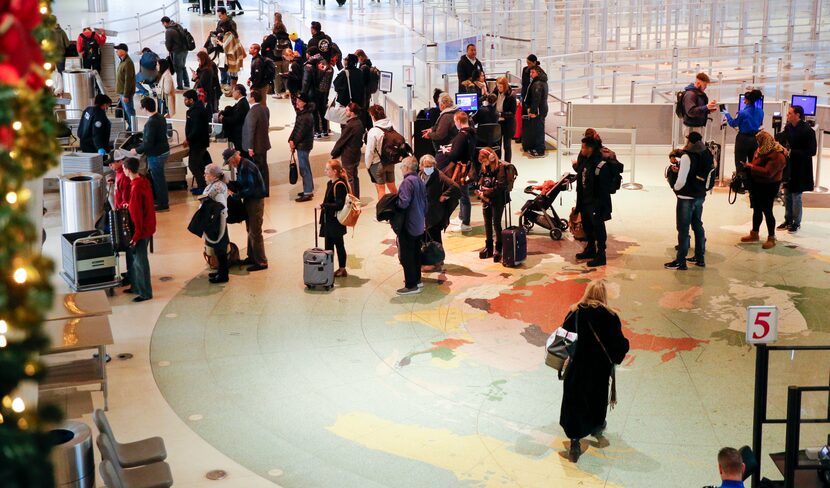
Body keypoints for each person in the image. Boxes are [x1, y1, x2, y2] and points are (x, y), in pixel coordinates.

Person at [558, 279, 629, 462]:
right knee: (596, 398)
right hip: (599, 369)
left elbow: (563, 337)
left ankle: (575, 441)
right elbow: (619, 346)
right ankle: (596, 426)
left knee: (575, 400)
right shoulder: (611, 316)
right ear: (604, 295)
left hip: (577, 367)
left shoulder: (575, 312)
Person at [664, 132, 712, 270]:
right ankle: (699, 257)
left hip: (686, 197)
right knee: (697, 225)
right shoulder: (706, 152)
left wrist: (675, 186)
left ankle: (680, 261)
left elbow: (681, 181)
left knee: (683, 229)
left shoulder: (687, 156)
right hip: (700, 195)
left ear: (688, 141)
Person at [740, 130, 787, 249]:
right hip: (758, 184)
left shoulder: (777, 155)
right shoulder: (762, 150)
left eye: (759, 141)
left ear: (764, 141)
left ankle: (772, 237)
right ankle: (754, 233)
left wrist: (751, 167)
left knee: (767, 211)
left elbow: (768, 173)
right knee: (757, 209)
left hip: (769, 186)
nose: (758, 144)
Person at [223, 148, 268, 272]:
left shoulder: (247, 166)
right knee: (250, 229)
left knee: (255, 231)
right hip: (250, 200)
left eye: (229, 162)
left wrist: (236, 195)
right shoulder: (242, 165)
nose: (230, 165)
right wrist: (229, 183)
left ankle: (262, 261)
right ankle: (252, 257)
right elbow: (242, 184)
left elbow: (251, 189)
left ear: (233, 158)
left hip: (255, 201)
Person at [574, 137, 614, 267]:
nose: (582, 150)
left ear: (590, 148)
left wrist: (599, 206)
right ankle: (590, 249)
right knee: (587, 226)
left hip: (596, 203)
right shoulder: (586, 160)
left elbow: (603, 188)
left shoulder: (600, 164)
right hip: (585, 201)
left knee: (598, 228)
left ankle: (601, 255)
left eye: (583, 147)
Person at [122, 157, 156, 303]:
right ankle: (136, 286)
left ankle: (145, 292)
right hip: (149, 226)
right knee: (137, 260)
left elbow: (137, 214)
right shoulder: (143, 181)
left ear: (128, 170)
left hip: (141, 231)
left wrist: (135, 236)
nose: (122, 171)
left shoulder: (135, 188)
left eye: (123, 168)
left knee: (140, 262)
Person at [420, 154, 461, 272]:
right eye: (426, 165)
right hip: (424, 213)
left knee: (435, 238)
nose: (429, 167)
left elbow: (456, 187)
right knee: (426, 238)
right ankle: (428, 260)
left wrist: (445, 195)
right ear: (421, 166)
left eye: (431, 165)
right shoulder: (420, 175)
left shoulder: (439, 176)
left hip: (435, 214)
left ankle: (438, 261)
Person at [779, 105, 817, 233]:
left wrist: (792, 152)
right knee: (787, 193)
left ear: (798, 115)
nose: (788, 115)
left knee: (796, 195)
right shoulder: (788, 127)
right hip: (789, 166)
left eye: (790, 113)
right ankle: (788, 220)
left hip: (801, 167)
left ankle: (796, 222)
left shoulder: (808, 131)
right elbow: (782, 139)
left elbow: (812, 151)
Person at [131, 98, 171, 212]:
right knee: (159, 177)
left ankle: (163, 203)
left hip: (156, 154)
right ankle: (161, 200)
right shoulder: (160, 117)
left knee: (158, 179)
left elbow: (148, 143)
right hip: (164, 150)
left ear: (145, 108)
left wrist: (136, 150)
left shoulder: (151, 123)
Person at [396, 157, 428, 295]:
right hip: (419, 222)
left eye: (402, 166)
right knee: (416, 252)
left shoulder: (407, 182)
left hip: (409, 224)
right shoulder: (420, 180)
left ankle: (410, 285)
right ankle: (417, 280)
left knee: (406, 255)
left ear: (407, 167)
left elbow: (403, 203)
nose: (401, 169)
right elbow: (425, 202)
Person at [442, 111, 477, 232]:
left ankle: (466, 223)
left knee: (463, 195)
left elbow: (454, 156)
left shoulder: (462, 136)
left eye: (455, 121)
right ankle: (462, 217)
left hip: (462, 170)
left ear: (458, 121)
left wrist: (446, 152)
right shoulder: (471, 132)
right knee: (464, 193)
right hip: (467, 166)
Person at [474, 147, 508, 262]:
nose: (483, 163)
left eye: (484, 160)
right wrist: (480, 189)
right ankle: (489, 247)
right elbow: (481, 180)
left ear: (491, 157)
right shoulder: (485, 167)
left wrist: (485, 192)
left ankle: (499, 248)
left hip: (498, 200)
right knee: (487, 223)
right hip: (486, 199)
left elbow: (500, 187)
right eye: (482, 161)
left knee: (496, 223)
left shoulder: (501, 168)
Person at [320, 160, 349, 278]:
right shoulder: (330, 183)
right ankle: (329, 268)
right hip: (329, 221)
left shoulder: (340, 185)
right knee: (328, 246)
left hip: (336, 222)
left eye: (327, 169)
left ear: (335, 171)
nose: (325, 171)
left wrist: (324, 205)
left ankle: (342, 268)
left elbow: (339, 205)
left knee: (339, 245)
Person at [202, 163, 230, 283]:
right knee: (219, 248)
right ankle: (220, 271)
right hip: (218, 220)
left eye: (207, 173)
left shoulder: (217, 188)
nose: (204, 175)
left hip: (218, 221)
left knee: (220, 248)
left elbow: (221, 206)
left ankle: (223, 275)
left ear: (213, 176)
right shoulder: (217, 184)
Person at [330, 103, 364, 199]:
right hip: (356, 154)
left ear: (352, 113)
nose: (345, 111)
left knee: (350, 178)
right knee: (354, 177)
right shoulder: (359, 123)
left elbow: (342, 140)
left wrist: (334, 152)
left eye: (347, 110)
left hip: (348, 155)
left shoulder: (350, 125)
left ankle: (353, 199)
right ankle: (356, 197)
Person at [364, 105, 398, 199]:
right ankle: (400, 208)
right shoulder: (391, 126)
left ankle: (381, 211)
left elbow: (370, 151)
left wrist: (367, 165)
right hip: (390, 162)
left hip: (377, 164)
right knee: (393, 188)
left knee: (381, 190)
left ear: (373, 116)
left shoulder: (373, 131)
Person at [242, 89, 272, 197]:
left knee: (258, 169)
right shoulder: (265, 108)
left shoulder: (253, 112)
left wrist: (250, 147)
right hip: (263, 143)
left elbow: (251, 130)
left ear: (253, 98)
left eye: (250, 96)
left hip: (256, 146)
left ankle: (260, 191)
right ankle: (265, 189)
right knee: (264, 167)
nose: (248, 97)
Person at [723, 89, 764, 167]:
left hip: (743, 140)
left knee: (740, 163)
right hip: (755, 139)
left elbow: (733, 123)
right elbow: (760, 123)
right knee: (753, 163)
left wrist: (726, 114)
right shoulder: (761, 111)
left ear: (746, 101)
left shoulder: (742, 113)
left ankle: (741, 178)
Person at [289, 93, 316, 202]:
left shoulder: (306, 116)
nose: (297, 102)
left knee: (304, 168)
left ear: (304, 103)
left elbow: (300, 132)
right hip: (302, 144)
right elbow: (296, 128)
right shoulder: (302, 113)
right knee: (305, 167)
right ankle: (308, 189)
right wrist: (291, 139)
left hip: (304, 145)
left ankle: (308, 192)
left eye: (299, 101)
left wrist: (293, 142)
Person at [183, 90, 211, 191]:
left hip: (198, 143)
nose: (185, 101)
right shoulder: (198, 108)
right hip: (200, 142)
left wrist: (188, 139)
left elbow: (196, 128)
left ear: (191, 100)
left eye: (186, 99)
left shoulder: (196, 111)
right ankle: (203, 185)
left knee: (193, 165)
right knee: (199, 164)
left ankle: (202, 186)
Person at [681, 72, 718, 137]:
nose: (705, 87)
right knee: (691, 147)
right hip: (691, 128)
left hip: (696, 126)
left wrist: (708, 110)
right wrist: (706, 107)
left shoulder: (699, 94)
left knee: (697, 146)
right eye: (704, 85)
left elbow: (699, 108)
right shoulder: (690, 94)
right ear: (698, 83)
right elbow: (691, 112)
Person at [262, 22, 291, 98]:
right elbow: (290, 48)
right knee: (286, 74)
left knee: (277, 76)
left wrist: (264, 56)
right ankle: (287, 90)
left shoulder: (272, 37)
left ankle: (278, 93)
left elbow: (264, 46)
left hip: (275, 59)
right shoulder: (286, 36)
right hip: (285, 59)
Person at [525, 65, 548, 157]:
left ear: (538, 72)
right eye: (530, 72)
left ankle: (540, 150)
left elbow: (536, 99)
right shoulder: (542, 81)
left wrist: (533, 111)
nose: (531, 74)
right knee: (539, 129)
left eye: (533, 72)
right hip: (542, 109)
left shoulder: (537, 83)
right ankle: (539, 148)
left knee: (539, 130)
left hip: (539, 110)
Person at [161, 16, 189, 90]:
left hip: (177, 51)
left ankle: (180, 86)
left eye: (163, 24)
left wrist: (169, 50)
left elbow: (168, 44)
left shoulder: (169, 31)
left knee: (178, 69)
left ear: (164, 23)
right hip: (185, 50)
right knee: (183, 66)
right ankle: (187, 83)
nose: (163, 26)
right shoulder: (177, 25)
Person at [219, 84, 249, 151]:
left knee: (242, 154)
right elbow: (233, 110)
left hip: (240, 136)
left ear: (238, 92)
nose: (232, 93)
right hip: (239, 134)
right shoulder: (241, 102)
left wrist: (223, 119)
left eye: (233, 91)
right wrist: (224, 112)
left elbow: (235, 119)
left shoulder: (242, 104)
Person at [494, 77, 517, 162]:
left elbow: (512, 113)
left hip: (508, 124)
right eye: (498, 86)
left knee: (507, 146)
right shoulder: (496, 91)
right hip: (498, 123)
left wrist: (500, 114)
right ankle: (498, 164)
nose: (499, 88)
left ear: (505, 86)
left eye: (501, 87)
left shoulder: (511, 96)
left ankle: (507, 165)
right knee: (497, 146)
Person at [115, 43, 136, 131]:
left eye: (118, 50)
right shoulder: (122, 61)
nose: (116, 51)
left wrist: (126, 95)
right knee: (126, 111)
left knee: (129, 111)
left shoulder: (128, 63)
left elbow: (128, 80)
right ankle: (131, 127)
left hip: (125, 93)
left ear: (123, 51)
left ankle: (133, 129)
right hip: (122, 92)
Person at [313, 56, 334, 138]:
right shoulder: (331, 68)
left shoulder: (321, 64)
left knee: (317, 111)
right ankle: (325, 130)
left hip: (318, 91)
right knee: (323, 111)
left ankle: (318, 130)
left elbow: (318, 78)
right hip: (325, 92)